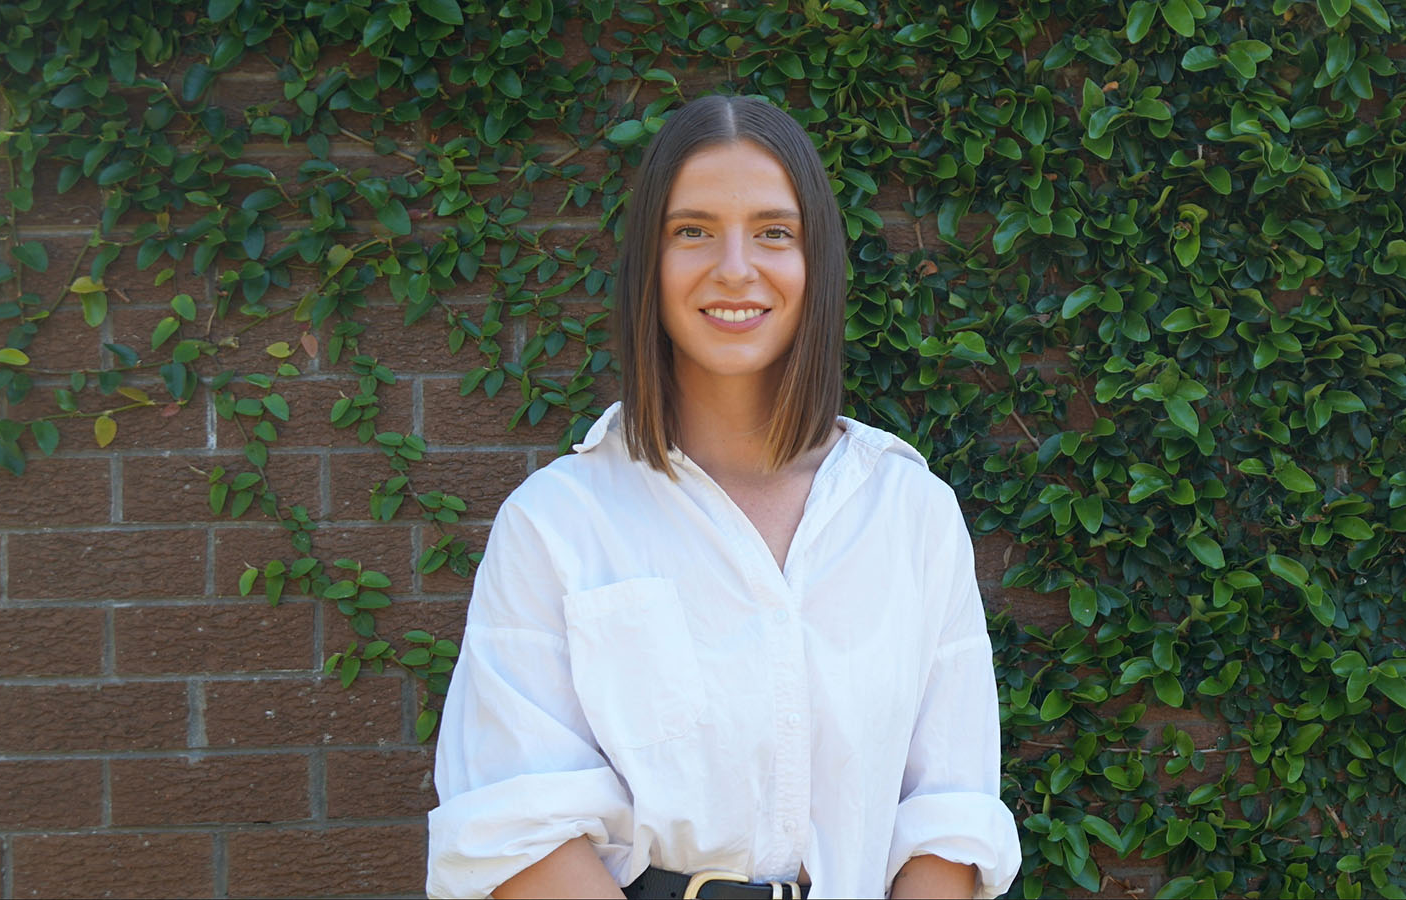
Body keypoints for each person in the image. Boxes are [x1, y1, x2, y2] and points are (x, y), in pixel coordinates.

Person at [426, 94, 1020, 900]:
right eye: (693, 230)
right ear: (650, 263)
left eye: (774, 231)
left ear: (817, 263)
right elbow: (514, 829)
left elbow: (949, 814)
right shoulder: (557, 523)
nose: (735, 267)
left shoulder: (911, 514)